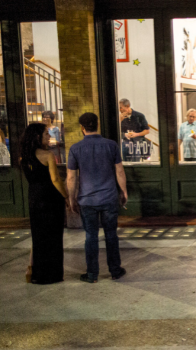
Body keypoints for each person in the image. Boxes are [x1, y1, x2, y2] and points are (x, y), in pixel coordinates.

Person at [66, 112, 128, 283]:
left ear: (82, 128)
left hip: (87, 200)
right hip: (108, 198)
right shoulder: (111, 145)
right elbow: (120, 171)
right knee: (111, 235)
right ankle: (115, 270)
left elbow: (71, 177)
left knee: (90, 236)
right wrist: (123, 191)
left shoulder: (75, 149)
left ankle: (92, 274)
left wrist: (71, 199)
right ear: (97, 125)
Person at [21, 123, 68, 285]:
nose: (49, 137)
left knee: (39, 236)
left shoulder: (23, 157)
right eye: (46, 134)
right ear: (37, 137)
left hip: (34, 197)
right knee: (53, 237)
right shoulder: (47, 155)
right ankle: (52, 274)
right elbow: (55, 179)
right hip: (50, 199)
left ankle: (38, 273)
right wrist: (66, 196)